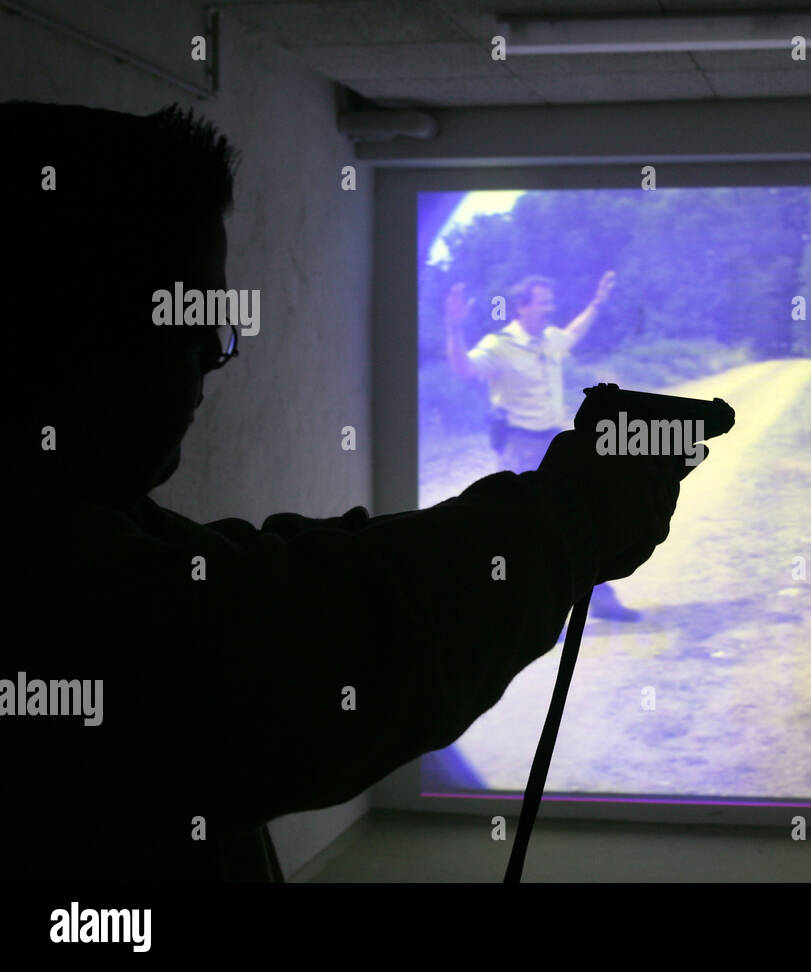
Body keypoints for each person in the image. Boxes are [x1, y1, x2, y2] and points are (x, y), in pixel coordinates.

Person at [0, 100, 689, 881]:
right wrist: (569, 516)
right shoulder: (34, 559)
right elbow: (283, 656)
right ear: (55, 324)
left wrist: (554, 520)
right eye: (185, 323)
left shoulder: (79, 506)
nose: (211, 360)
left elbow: (262, 572)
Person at [444, 272, 644, 622]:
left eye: (551, 302)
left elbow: (574, 332)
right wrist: (453, 328)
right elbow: (464, 370)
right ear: (522, 307)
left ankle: (599, 600)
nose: (550, 309)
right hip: (520, 447)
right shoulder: (499, 344)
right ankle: (531, 612)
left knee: (584, 521)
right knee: (530, 531)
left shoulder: (549, 339)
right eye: (542, 302)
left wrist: (597, 302)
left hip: (556, 444)